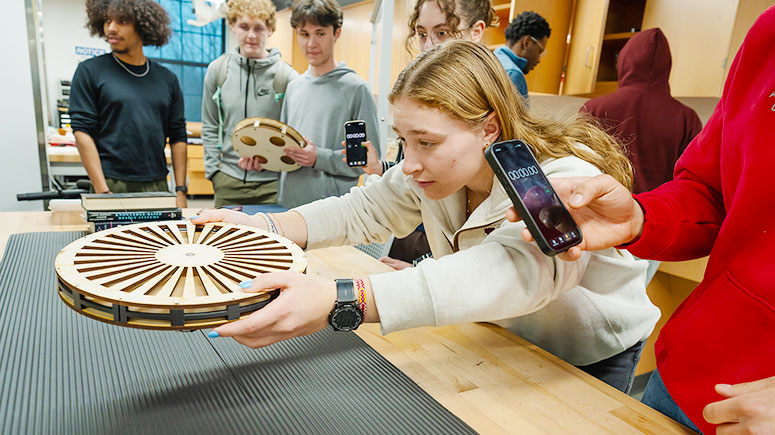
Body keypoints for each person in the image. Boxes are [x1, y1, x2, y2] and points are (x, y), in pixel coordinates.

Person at [195, 40, 660, 394]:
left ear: (488, 128)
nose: (410, 162)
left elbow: (516, 272)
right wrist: (267, 228)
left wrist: (342, 299)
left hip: (586, 349)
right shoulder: (434, 174)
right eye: (403, 141)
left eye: (427, 142)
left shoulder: (563, 181)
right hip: (501, 329)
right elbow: (364, 208)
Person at [508, 6, 775, 433]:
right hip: (688, 363)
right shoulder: (766, 37)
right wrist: (640, 215)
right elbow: (710, 188)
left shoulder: (599, 104)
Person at [243, 0, 380, 209]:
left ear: (337, 33)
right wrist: (264, 163)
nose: (311, 43)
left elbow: (366, 163)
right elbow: (288, 154)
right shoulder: (294, 87)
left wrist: (318, 158)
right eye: (304, 34)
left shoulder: (356, 90)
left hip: (333, 212)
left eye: (320, 33)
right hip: (288, 205)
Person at [70, 0, 188, 207]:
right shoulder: (90, 71)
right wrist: (102, 190)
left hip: (158, 185)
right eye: (107, 20)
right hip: (111, 184)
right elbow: (82, 132)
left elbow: (178, 135)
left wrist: (180, 191)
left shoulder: (167, 78)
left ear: (143, 25)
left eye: (122, 21)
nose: (111, 28)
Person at [581, 28, 702, 195]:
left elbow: (578, 168)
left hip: (601, 207)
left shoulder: (595, 109)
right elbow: (690, 182)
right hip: (657, 214)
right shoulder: (687, 118)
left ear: (625, 61)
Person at [201, 0, 298, 208]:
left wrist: (271, 161)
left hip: (273, 185)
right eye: (244, 27)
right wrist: (213, 172)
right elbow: (210, 125)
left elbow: (297, 133)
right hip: (227, 180)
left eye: (259, 28)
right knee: (223, 240)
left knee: (271, 241)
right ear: (233, 26)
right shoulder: (218, 70)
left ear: (270, 30)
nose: (251, 36)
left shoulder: (287, 77)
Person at [495, 11, 550, 101]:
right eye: (539, 51)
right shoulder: (513, 74)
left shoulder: (491, 59)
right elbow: (518, 115)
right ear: (527, 42)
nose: (539, 59)